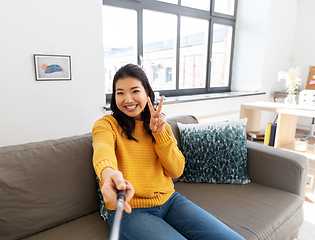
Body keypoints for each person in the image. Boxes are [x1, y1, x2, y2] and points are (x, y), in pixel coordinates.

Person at [92, 64, 245, 240]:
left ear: (147, 93)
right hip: (131, 211)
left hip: (171, 201)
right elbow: (103, 151)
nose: (127, 99)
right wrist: (108, 173)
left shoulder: (160, 127)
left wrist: (160, 134)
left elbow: (176, 170)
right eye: (120, 93)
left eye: (135, 91)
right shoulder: (106, 125)